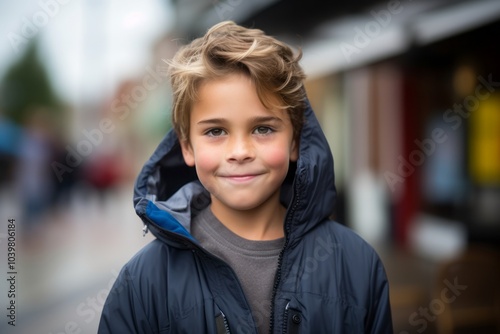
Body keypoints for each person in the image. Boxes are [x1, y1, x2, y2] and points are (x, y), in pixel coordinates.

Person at [98, 21, 393, 333]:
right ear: (187, 147)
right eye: (216, 131)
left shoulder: (357, 266)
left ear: (295, 142)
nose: (239, 151)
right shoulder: (143, 283)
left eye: (263, 128)